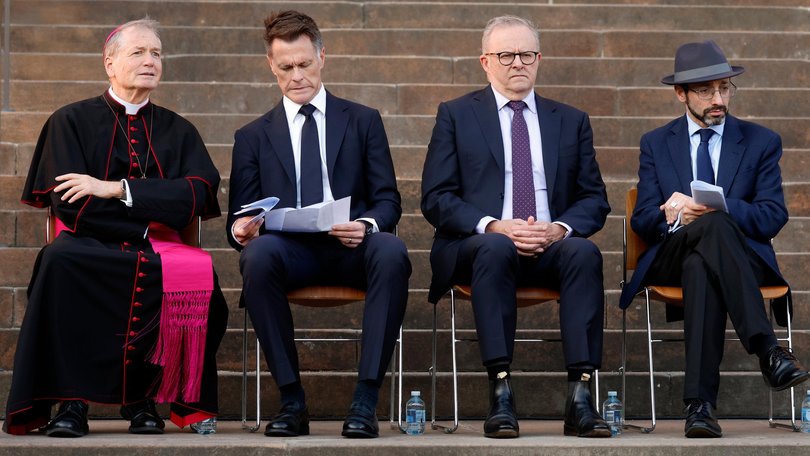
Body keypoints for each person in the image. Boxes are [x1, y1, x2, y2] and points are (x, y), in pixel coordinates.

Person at [3, 19, 228, 437]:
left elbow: (198, 193)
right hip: (87, 242)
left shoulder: (180, 130)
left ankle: (145, 401)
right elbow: (72, 204)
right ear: (110, 63)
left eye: (157, 54)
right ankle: (71, 402)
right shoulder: (68, 121)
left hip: (156, 247)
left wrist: (117, 190)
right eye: (139, 52)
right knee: (59, 261)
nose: (151, 61)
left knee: (200, 274)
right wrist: (155, 210)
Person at [421, 15, 611, 439]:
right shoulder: (455, 115)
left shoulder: (571, 120)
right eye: (506, 55)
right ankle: (500, 392)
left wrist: (559, 228)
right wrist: (493, 226)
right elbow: (435, 197)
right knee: (496, 248)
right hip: (480, 248)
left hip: (550, 246)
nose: (517, 63)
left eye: (526, 54)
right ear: (485, 61)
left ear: (539, 59)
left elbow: (594, 199)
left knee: (584, 252)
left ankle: (581, 397)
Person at [227, 10, 410, 439]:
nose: (297, 76)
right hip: (290, 252)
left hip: (351, 247)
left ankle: (366, 400)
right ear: (271, 66)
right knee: (258, 255)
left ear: (322, 57)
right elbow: (240, 215)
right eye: (286, 67)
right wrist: (241, 230)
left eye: (304, 64)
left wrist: (365, 224)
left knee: (392, 251)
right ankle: (292, 401)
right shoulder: (252, 136)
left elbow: (388, 200)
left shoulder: (363, 120)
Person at [620, 40, 810, 438]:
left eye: (724, 88)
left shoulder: (760, 141)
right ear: (681, 94)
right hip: (671, 250)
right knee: (704, 238)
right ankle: (768, 351)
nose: (718, 99)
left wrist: (722, 209)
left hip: (737, 256)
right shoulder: (656, 142)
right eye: (706, 91)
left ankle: (700, 406)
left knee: (705, 255)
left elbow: (773, 216)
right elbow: (641, 220)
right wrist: (670, 212)